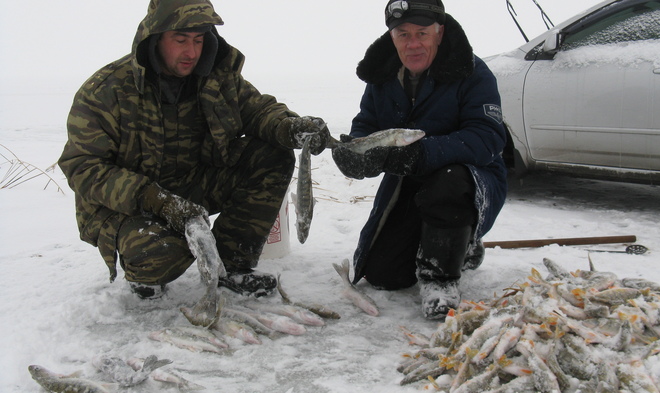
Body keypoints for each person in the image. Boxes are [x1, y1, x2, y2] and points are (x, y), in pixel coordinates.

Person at [58, 0, 330, 299]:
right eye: (181, 40)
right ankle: (145, 271)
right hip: (129, 204)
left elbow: (258, 110)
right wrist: (157, 201)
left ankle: (233, 265)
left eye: (199, 41)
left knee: (271, 154)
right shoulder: (107, 90)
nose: (191, 52)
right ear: (155, 37)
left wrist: (292, 127)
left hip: (191, 185)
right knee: (163, 254)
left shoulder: (215, 77)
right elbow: (83, 167)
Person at [332, 0, 507, 319]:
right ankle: (451, 243)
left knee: (448, 181)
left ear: (439, 33)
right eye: (403, 34)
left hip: (469, 181)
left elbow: (489, 138)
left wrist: (422, 153)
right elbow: (367, 125)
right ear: (391, 37)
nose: (412, 43)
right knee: (385, 276)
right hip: (408, 181)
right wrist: (357, 153)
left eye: (422, 33)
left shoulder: (473, 72)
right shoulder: (382, 76)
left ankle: (442, 277)